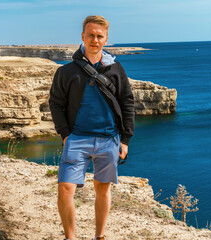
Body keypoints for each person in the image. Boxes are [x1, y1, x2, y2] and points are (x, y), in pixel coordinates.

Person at [49, 15, 135, 240]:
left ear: (106, 39)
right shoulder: (66, 72)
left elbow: (127, 103)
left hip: (109, 139)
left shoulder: (116, 69)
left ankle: (100, 236)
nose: (94, 40)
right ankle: (70, 237)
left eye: (99, 36)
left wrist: (125, 139)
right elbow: (56, 104)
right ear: (82, 37)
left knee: (102, 189)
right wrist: (65, 134)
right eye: (91, 35)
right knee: (65, 188)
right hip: (77, 139)